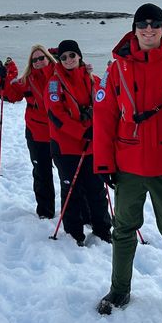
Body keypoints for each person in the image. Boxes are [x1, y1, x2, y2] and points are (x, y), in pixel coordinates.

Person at [94, 3, 162, 315]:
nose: (148, 28)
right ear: (134, 28)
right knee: (124, 230)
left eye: (155, 23)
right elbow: (104, 117)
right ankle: (119, 291)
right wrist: (104, 164)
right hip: (128, 167)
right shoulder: (116, 70)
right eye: (142, 23)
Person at [48, 39, 111, 246]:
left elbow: (107, 105)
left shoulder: (93, 79)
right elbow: (57, 116)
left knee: (97, 190)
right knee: (72, 191)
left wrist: (98, 130)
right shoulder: (54, 84)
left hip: (92, 146)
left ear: (79, 56)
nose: (68, 60)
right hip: (66, 148)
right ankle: (74, 232)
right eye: (64, 57)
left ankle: (103, 229)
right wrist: (84, 132)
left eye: (72, 55)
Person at [0, 45, 58, 219]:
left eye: (41, 58)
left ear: (48, 58)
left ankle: (81, 213)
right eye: (34, 60)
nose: (38, 62)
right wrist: (2, 77)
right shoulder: (27, 79)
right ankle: (45, 212)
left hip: (61, 132)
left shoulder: (59, 74)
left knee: (69, 174)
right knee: (41, 173)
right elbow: (10, 95)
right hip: (36, 132)